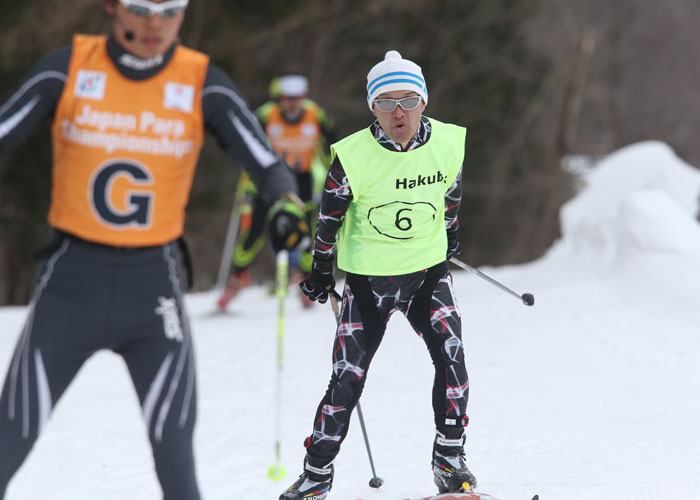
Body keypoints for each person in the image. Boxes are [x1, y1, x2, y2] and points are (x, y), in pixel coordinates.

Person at [0, 1, 307, 499]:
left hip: (152, 292)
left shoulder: (201, 79)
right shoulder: (72, 66)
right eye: (141, 8)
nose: (154, 24)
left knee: (175, 457)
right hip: (71, 283)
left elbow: (266, 162)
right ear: (113, 8)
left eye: (170, 10)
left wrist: (286, 205)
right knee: (9, 438)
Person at [279, 50, 476, 500]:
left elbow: (451, 195)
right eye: (386, 103)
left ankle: (450, 459)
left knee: (452, 359)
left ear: (424, 101)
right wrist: (321, 271)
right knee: (347, 377)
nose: (399, 112)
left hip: (426, 273)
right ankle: (315, 476)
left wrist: (451, 239)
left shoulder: (449, 142)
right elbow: (328, 220)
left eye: (408, 100)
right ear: (373, 108)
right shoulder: (351, 156)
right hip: (370, 281)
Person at [216, 74, 337, 311]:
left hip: (302, 180)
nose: (292, 103)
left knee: (305, 232)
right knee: (253, 233)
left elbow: (331, 147)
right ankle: (238, 278)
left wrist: (333, 178)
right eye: (287, 98)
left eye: (297, 98)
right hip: (267, 180)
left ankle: (306, 282)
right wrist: (247, 182)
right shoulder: (265, 115)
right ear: (279, 98)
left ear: (304, 98)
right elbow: (247, 148)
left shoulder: (316, 115)